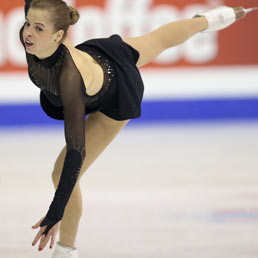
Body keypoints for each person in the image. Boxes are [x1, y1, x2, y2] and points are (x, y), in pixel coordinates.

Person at [20, 0, 240, 257]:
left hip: (115, 95)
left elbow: (76, 151)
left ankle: (66, 251)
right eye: (27, 24)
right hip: (102, 56)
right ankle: (209, 20)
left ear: (59, 35)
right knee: (157, 40)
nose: (28, 33)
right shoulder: (36, 36)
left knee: (61, 174)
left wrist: (57, 210)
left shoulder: (69, 78)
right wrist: (34, 22)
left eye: (38, 28)